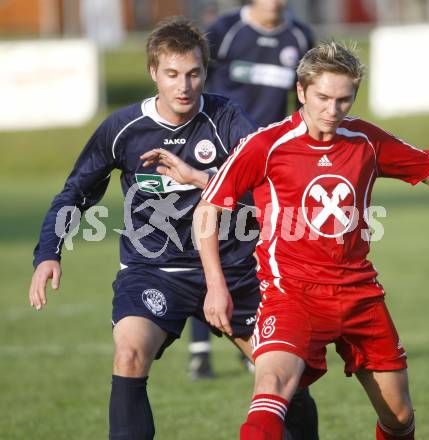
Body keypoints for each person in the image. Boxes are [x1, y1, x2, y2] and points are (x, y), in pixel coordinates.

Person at [28, 17, 317, 440]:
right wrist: (49, 252)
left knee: (285, 377)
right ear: (153, 73)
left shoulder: (228, 119)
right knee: (128, 354)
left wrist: (199, 177)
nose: (185, 85)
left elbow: (272, 189)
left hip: (234, 268)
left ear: (205, 71)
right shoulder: (123, 129)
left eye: (194, 73)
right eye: (172, 74)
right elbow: (75, 191)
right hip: (156, 270)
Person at [194, 41, 429, 440]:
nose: (332, 109)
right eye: (323, 97)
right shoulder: (266, 145)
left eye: (344, 100)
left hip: (360, 294)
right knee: (271, 390)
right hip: (292, 294)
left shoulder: (366, 141)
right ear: (302, 91)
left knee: (399, 416)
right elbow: (208, 210)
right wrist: (215, 284)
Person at [188, 0, 314, 380]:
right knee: (210, 246)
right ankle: (200, 351)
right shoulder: (226, 31)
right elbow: (193, 86)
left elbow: (304, 101)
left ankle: (254, 339)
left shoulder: (299, 36)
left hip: (270, 164)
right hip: (222, 157)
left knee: (259, 251)